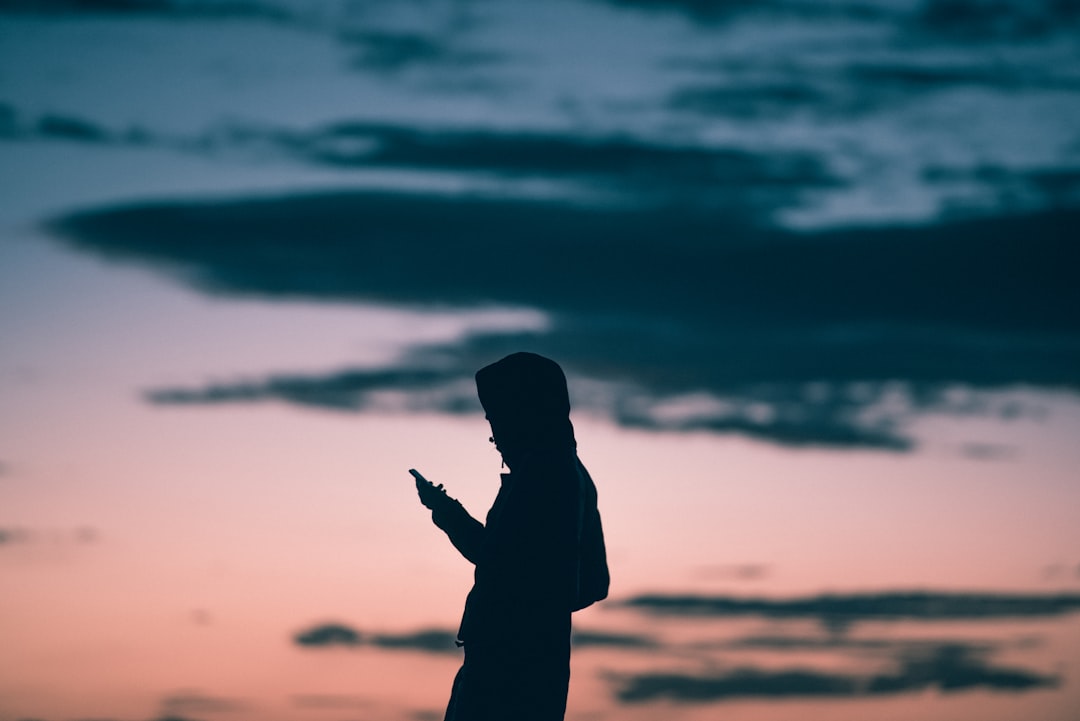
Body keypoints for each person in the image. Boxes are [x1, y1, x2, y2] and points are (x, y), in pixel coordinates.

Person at [412, 352, 609, 721]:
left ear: (525, 416)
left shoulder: (544, 477)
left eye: (498, 421)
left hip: (510, 667)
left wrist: (447, 513)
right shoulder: (560, 473)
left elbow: (501, 561)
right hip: (522, 659)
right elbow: (512, 560)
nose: (496, 438)